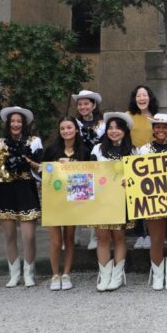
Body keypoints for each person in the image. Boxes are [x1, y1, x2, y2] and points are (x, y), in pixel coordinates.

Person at [0, 106, 43, 288]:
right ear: (8, 124)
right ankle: (14, 273)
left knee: (28, 235)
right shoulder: (0, 142)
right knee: (9, 235)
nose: (16, 124)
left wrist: (27, 162)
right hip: (6, 190)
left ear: (24, 123)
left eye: (19, 121)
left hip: (26, 189)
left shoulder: (34, 141)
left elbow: (40, 168)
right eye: (13, 121)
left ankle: (29, 272)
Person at [136, 113, 167, 290]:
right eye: (157, 126)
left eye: (165, 126)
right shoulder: (143, 150)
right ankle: (158, 274)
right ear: (153, 129)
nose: (161, 129)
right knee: (156, 239)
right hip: (152, 202)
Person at [41, 116, 88, 291]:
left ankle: (67, 273)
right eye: (62, 128)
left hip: (74, 200)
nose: (66, 131)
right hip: (54, 200)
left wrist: (73, 164)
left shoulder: (84, 150)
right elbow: (44, 173)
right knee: (55, 240)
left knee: (69, 238)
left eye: (69, 127)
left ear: (76, 129)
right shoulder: (52, 150)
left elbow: (89, 176)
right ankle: (55, 274)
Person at [89, 112, 135, 291]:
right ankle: (104, 275)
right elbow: (90, 173)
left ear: (125, 131)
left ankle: (118, 274)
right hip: (101, 201)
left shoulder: (133, 151)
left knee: (119, 237)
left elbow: (137, 178)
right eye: (110, 128)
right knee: (102, 238)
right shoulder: (97, 149)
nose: (114, 131)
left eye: (118, 128)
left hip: (121, 201)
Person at [71, 88, 105, 250]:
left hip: (97, 165)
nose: (83, 107)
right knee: (78, 200)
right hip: (79, 164)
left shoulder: (102, 124)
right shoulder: (73, 124)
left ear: (93, 105)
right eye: (80, 104)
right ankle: (75, 235)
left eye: (86, 104)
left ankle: (94, 236)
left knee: (94, 202)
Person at [127, 85, 158, 250]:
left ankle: (151, 234)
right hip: (133, 162)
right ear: (134, 98)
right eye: (138, 95)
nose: (141, 98)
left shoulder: (156, 118)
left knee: (151, 199)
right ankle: (140, 234)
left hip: (152, 163)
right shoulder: (128, 116)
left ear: (149, 97)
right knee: (137, 200)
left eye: (144, 95)